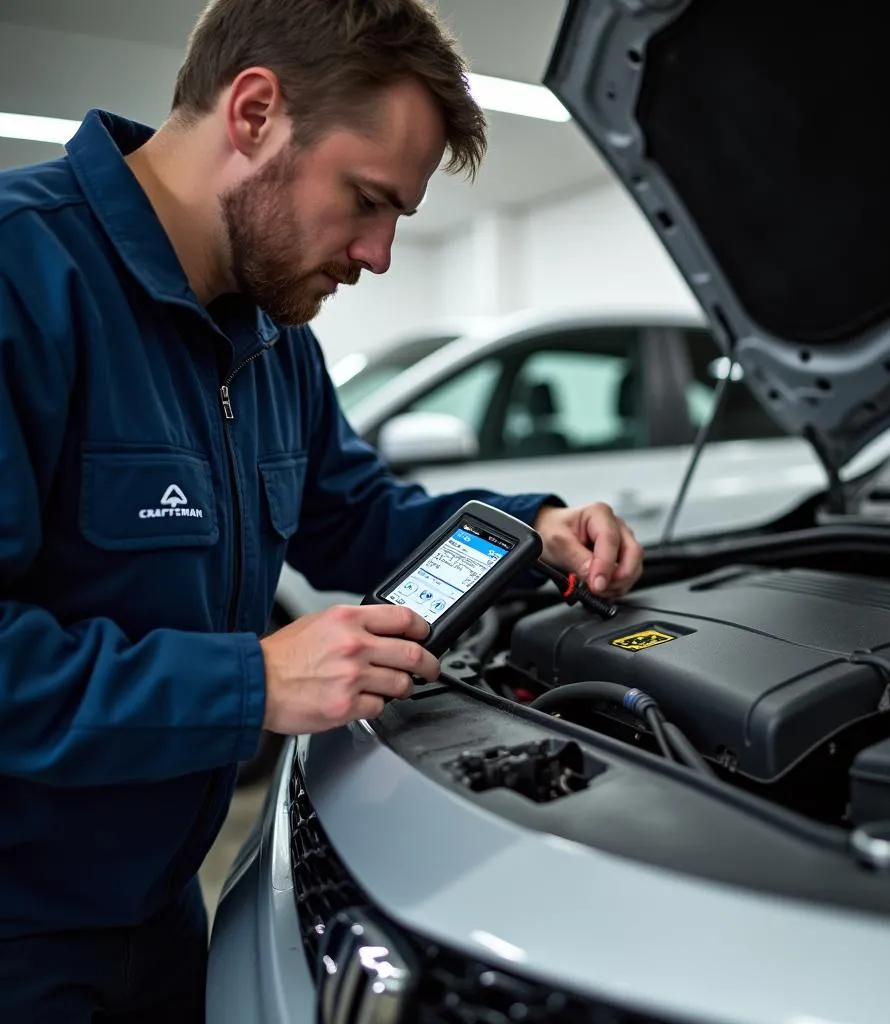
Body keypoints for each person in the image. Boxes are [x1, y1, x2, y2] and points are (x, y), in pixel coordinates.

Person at [0, 0, 643, 1020]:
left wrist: (539, 527)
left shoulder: (271, 338)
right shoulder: (20, 279)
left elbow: (359, 516)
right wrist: (247, 682)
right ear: (254, 111)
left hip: (169, 912)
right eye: (366, 199)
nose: (380, 255)